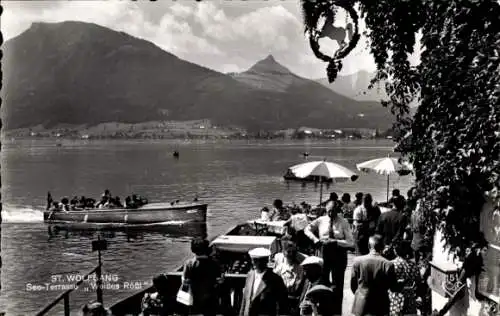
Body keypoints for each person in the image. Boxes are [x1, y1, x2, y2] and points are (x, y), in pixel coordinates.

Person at [304, 201, 354, 315]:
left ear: (338, 210)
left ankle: (337, 311)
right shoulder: (321, 220)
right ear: (326, 210)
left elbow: (350, 242)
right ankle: (324, 309)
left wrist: (336, 241)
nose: (331, 213)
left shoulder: (344, 222)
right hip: (324, 253)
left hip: (338, 254)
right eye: (329, 211)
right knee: (323, 281)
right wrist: (315, 239)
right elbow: (307, 229)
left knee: (338, 284)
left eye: (333, 211)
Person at [350, 235, 402, 316]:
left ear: (368, 246)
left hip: (361, 304)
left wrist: (360, 293)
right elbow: (394, 288)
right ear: (383, 247)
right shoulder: (388, 264)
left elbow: (353, 285)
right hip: (380, 305)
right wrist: (401, 283)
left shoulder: (357, 261)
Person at [240, 248, 289, 316]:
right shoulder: (250, 275)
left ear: (265, 261)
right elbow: (245, 300)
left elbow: (282, 304)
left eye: (257, 261)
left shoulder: (275, 279)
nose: (254, 263)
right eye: (253, 260)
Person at [182, 238, 223, 316]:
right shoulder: (215, 263)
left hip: (194, 297)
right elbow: (220, 280)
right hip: (211, 297)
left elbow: (185, 281)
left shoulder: (189, 264)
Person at [388, 240, 421, 316]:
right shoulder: (413, 266)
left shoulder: (391, 264)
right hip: (410, 298)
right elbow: (418, 281)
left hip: (395, 297)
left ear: (396, 251)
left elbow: (387, 281)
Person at [272, 238, 306, 304]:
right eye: (288, 252)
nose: (291, 254)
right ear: (284, 253)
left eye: (293, 252)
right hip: (281, 298)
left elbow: (299, 283)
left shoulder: (300, 268)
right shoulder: (280, 268)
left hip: (295, 299)